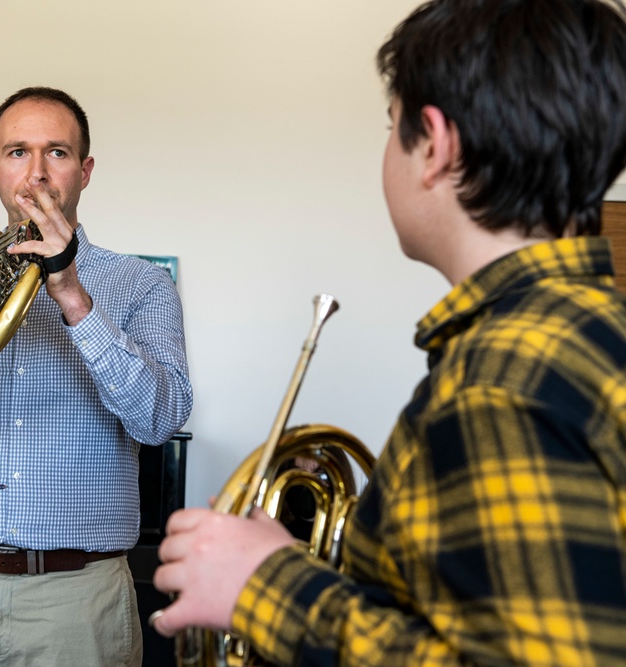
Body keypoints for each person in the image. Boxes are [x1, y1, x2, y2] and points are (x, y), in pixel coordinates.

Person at [151, 0, 626, 664]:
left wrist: (267, 583)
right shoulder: (591, 328)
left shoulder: (504, 378)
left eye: (391, 125)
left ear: (434, 144)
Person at [0, 87, 193, 666]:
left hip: (77, 600)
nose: (35, 174)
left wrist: (72, 296)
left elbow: (161, 419)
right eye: (17, 152)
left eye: (56, 153)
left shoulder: (142, 286)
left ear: (84, 172)